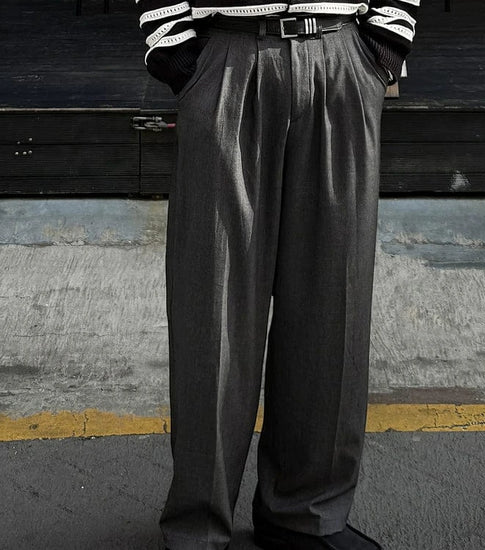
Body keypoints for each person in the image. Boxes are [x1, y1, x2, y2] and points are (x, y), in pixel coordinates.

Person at [135, 0, 419, 549]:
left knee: (333, 297)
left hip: (342, 53)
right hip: (226, 56)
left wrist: (384, 45)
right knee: (212, 306)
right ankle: (198, 527)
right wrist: (174, 50)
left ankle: (306, 514)